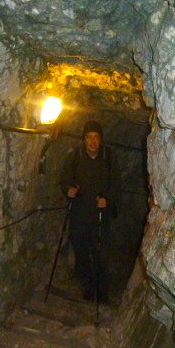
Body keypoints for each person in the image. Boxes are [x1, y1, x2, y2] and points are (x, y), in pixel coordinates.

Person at [59, 120, 120, 303]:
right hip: (79, 213)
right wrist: (68, 190)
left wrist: (107, 199)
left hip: (100, 216)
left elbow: (117, 184)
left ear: (101, 140)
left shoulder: (108, 157)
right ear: (84, 140)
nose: (92, 141)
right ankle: (88, 287)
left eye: (96, 137)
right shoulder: (75, 157)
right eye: (89, 137)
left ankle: (102, 291)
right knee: (81, 252)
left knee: (101, 253)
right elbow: (64, 180)